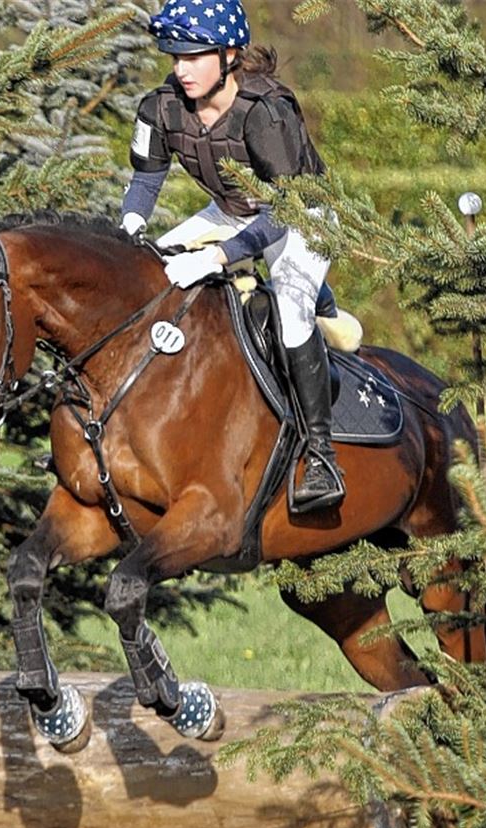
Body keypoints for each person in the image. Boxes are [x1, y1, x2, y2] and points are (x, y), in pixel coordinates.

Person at [120, 0, 345, 513]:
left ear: (228, 55)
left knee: (290, 317)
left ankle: (321, 456)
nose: (181, 68)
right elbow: (146, 179)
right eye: (175, 56)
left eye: (194, 56)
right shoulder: (161, 107)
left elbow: (284, 208)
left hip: (303, 217)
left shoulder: (266, 112)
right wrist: (132, 225)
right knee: (151, 275)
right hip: (229, 211)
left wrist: (219, 258)